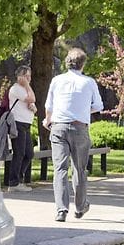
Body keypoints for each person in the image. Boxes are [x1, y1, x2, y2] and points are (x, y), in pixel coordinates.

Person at [43, 48, 104, 222]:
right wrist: (84, 110)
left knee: (60, 169)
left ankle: (61, 210)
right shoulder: (89, 82)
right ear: (83, 64)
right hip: (80, 128)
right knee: (79, 169)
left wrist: (48, 120)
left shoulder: (57, 80)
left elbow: (49, 106)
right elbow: (99, 106)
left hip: (59, 127)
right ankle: (80, 206)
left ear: (66, 62)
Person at [7, 66, 37, 192]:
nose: (29, 79)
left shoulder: (25, 90)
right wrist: (27, 86)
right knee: (19, 153)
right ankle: (13, 183)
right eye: (26, 76)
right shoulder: (15, 89)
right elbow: (32, 99)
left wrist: (34, 109)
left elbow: (32, 104)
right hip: (18, 123)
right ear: (20, 77)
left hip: (26, 124)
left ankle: (18, 179)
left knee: (29, 153)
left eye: (29, 76)